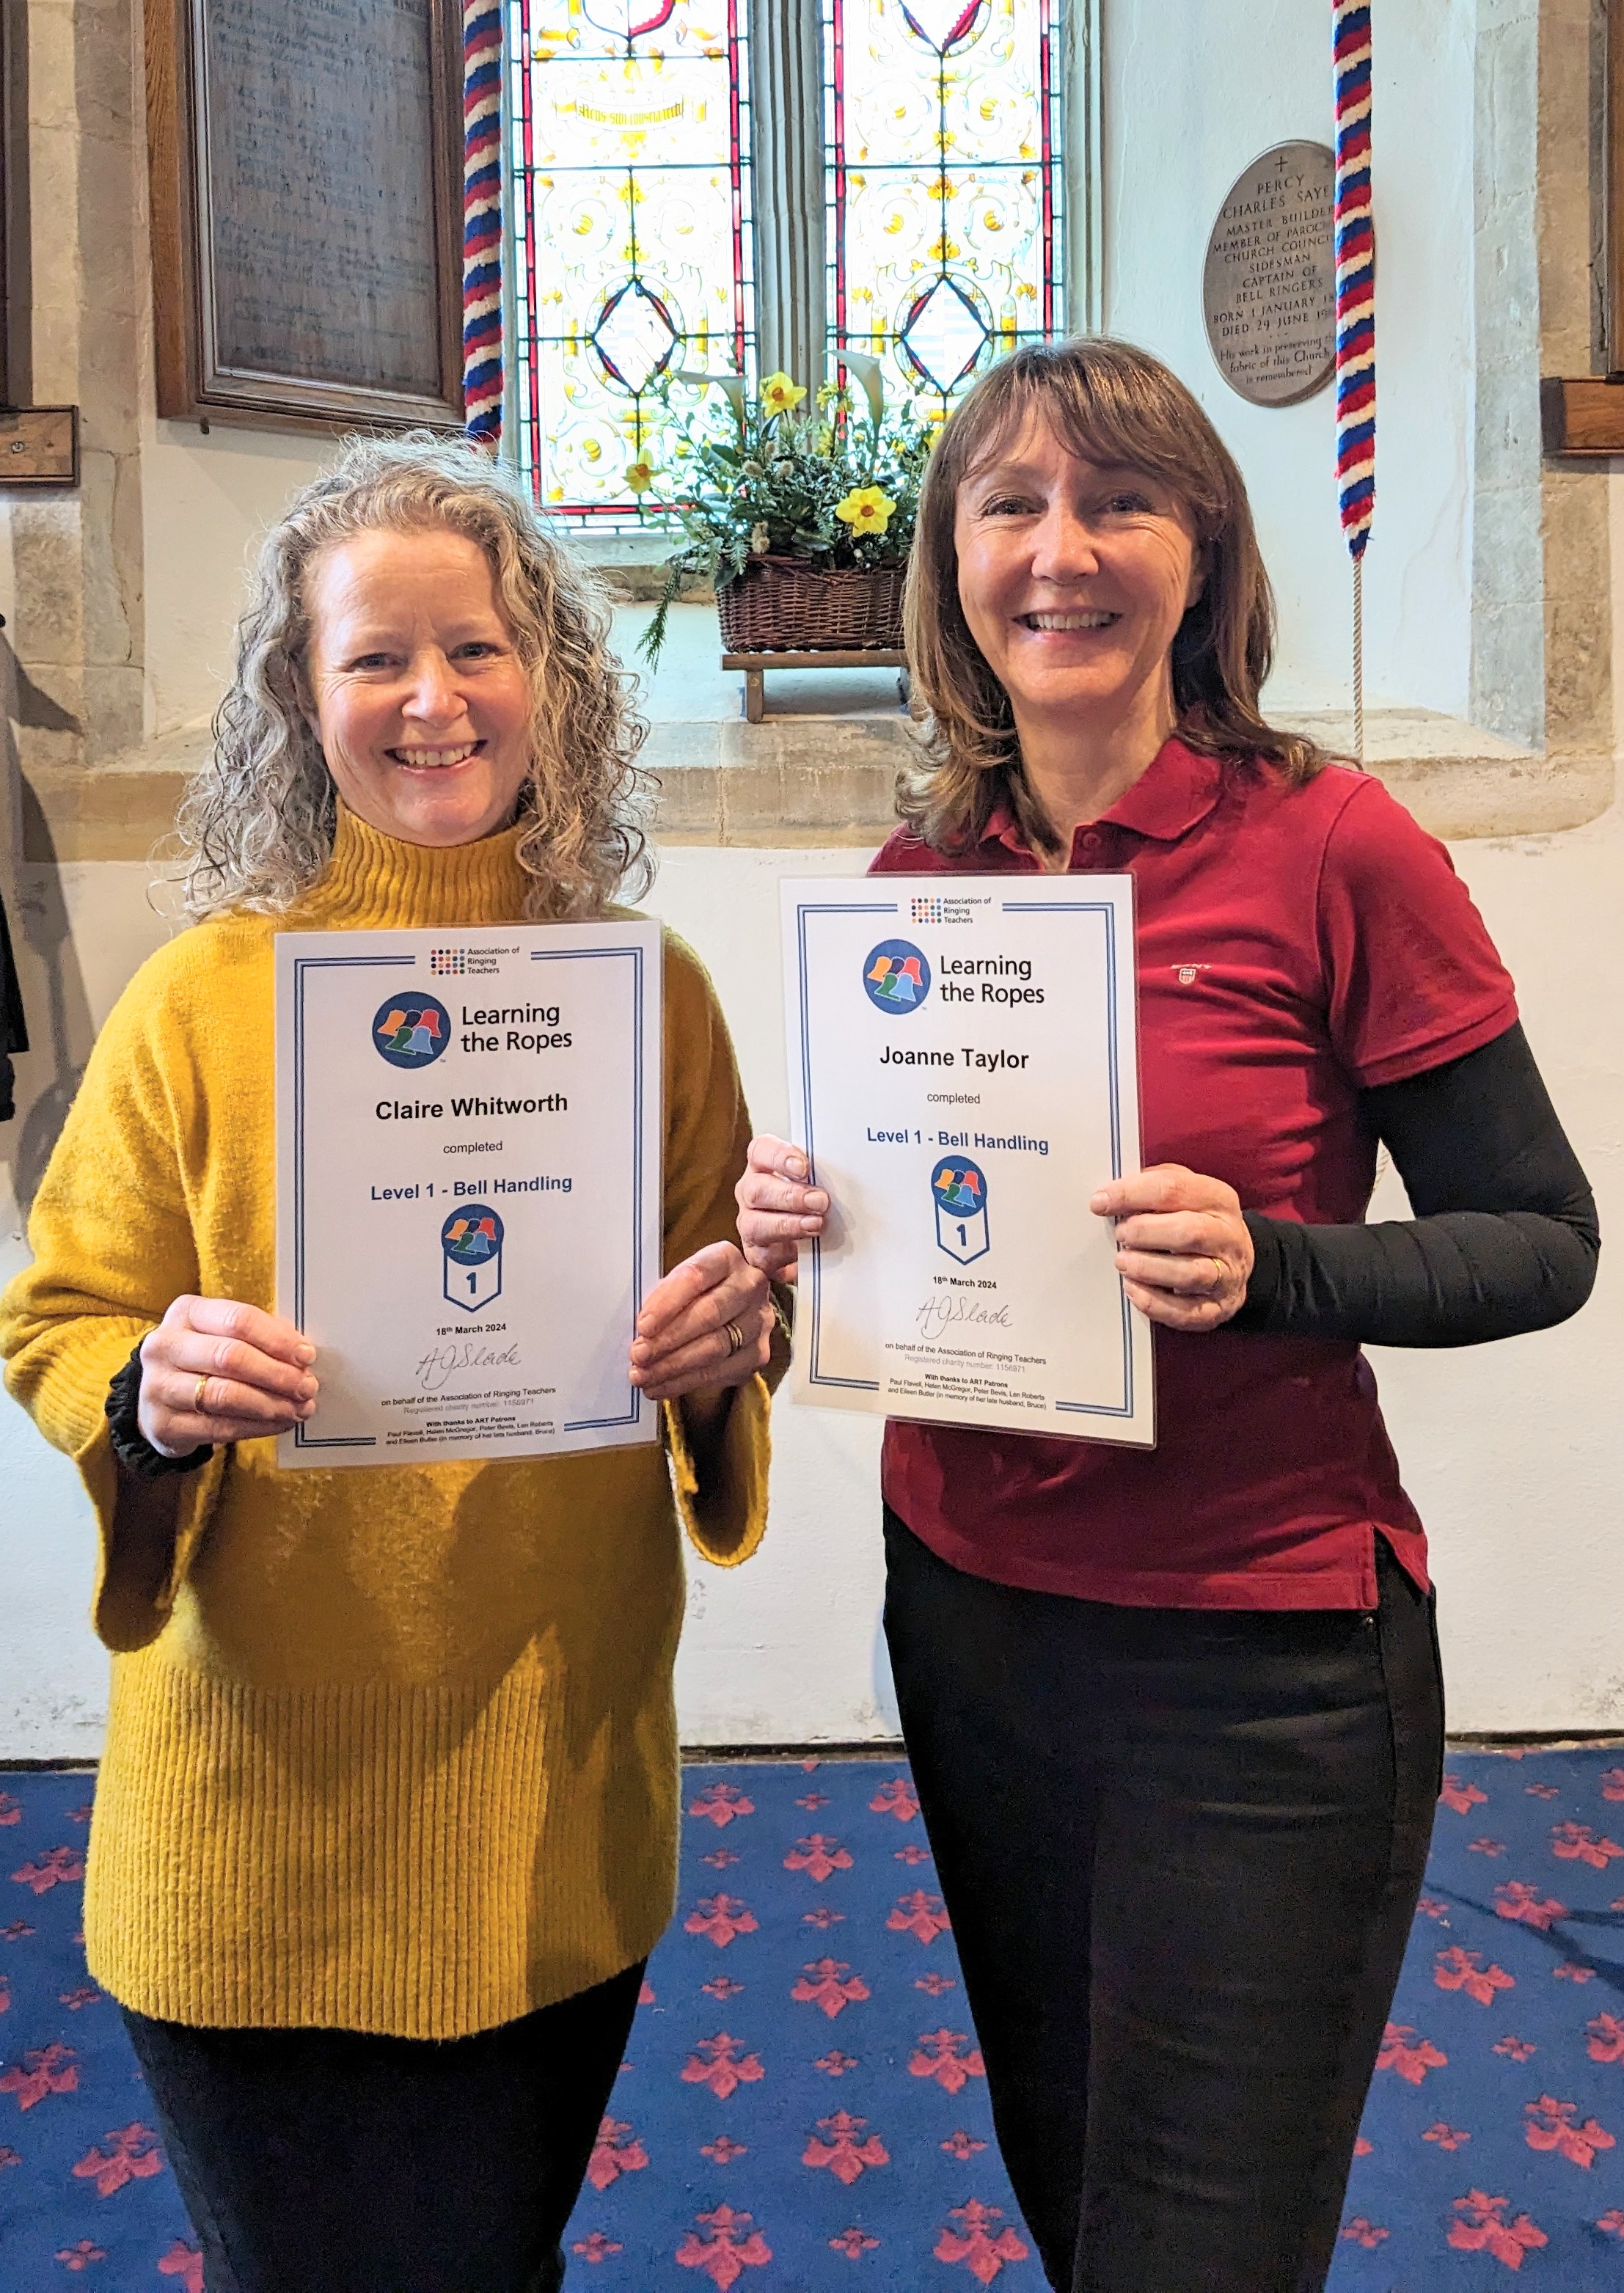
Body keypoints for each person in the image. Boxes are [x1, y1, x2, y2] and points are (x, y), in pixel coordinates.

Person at [737, 339, 1600, 2293]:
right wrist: (797, 1226)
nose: (1061, 549)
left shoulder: (1329, 843)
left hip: (1262, 1657)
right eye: (1008, 503)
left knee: (1195, 2245)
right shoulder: (915, 882)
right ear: (949, 558)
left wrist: (1267, 1260)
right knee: (1073, 2193)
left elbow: (1538, 1234)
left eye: (1117, 501)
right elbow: (900, 1252)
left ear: (1199, 552)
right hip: (974, 1626)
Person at [0, 434, 783, 2293]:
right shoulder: (201, 995)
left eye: (478, 649)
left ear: (553, 681)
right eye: (375, 659)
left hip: (546, 1789)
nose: (432, 700)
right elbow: (61, 1313)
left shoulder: (642, 992)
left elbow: (728, 1322)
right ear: (302, 693)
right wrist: (150, 1386)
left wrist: (718, 1351)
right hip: (255, 1804)